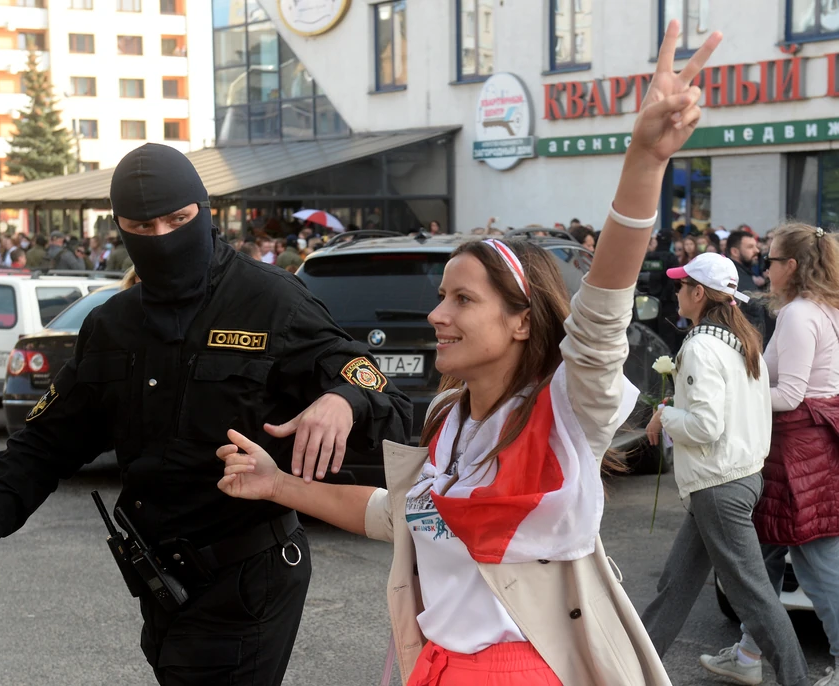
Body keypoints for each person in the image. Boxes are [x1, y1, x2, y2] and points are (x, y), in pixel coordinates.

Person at [214, 21, 718, 686]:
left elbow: (603, 309)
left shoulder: (565, 407)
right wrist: (276, 484)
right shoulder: (446, 422)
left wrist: (645, 162)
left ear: (519, 321)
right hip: (432, 666)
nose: (434, 315)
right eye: (441, 297)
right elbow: (396, 516)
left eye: (460, 300)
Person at [0, 142, 413, 686]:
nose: (163, 237)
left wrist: (342, 400)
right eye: (142, 226)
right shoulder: (113, 325)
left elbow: (385, 400)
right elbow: (45, 442)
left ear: (204, 211)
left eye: (178, 219)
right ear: (118, 227)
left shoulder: (272, 300)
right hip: (161, 581)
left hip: (247, 579)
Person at [641, 252, 810, 686]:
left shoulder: (700, 346)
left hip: (719, 485)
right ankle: (634, 669)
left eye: (682, 285)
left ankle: (796, 679)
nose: (676, 291)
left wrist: (666, 416)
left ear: (698, 293)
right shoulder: (742, 339)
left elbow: (704, 426)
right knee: (676, 584)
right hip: (736, 478)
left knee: (754, 599)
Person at [716, 223, 839, 686]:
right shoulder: (824, 309)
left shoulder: (801, 314)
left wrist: (731, 396)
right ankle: (748, 652)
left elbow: (789, 394)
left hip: (796, 450)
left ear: (792, 266)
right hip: (807, 447)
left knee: (818, 566)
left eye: (769, 261)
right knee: (763, 554)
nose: (763, 269)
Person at [726, 229, 768, 338]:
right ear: (735, 252)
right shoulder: (732, 277)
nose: (757, 250)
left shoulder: (745, 274)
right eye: (750, 247)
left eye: (756, 246)